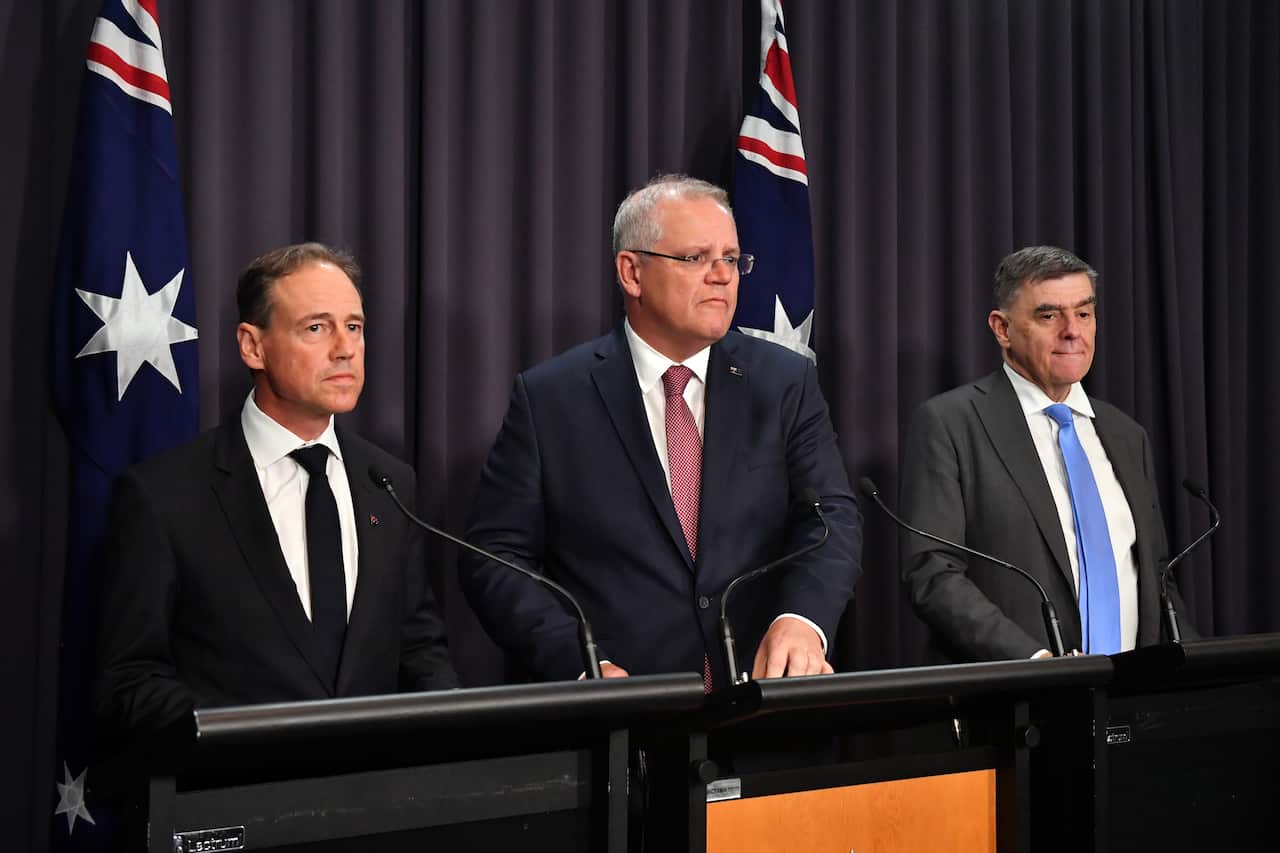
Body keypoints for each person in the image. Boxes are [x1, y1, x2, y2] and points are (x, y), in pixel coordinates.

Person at [460, 175, 862, 685]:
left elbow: (831, 519)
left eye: (732, 259)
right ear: (632, 272)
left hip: (760, 701)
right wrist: (578, 662)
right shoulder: (551, 399)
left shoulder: (785, 382)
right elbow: (496, 557)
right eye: (696, 258)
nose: (723, 276)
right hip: (623, 711)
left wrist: (802, 621)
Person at [97, 243, 457, 737]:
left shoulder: (389, 483)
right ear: (253, 346)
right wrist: (248, 738)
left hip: (374, 782)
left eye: (354, 326)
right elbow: (130, 680)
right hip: (236, 779)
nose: (345, 348)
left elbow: (418, 650)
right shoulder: (164, 495)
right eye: (316, 328)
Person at [900, 245, 1196, 662]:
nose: (1072, 331)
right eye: (1049, 316)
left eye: (1084, 313)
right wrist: (1037, 662)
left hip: (1134, 689)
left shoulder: (1127, 435)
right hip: (1019, 689)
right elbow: (932, 571)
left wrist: (1193, 666)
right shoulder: (951, 424)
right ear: (1002, 329)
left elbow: (1158, 575)